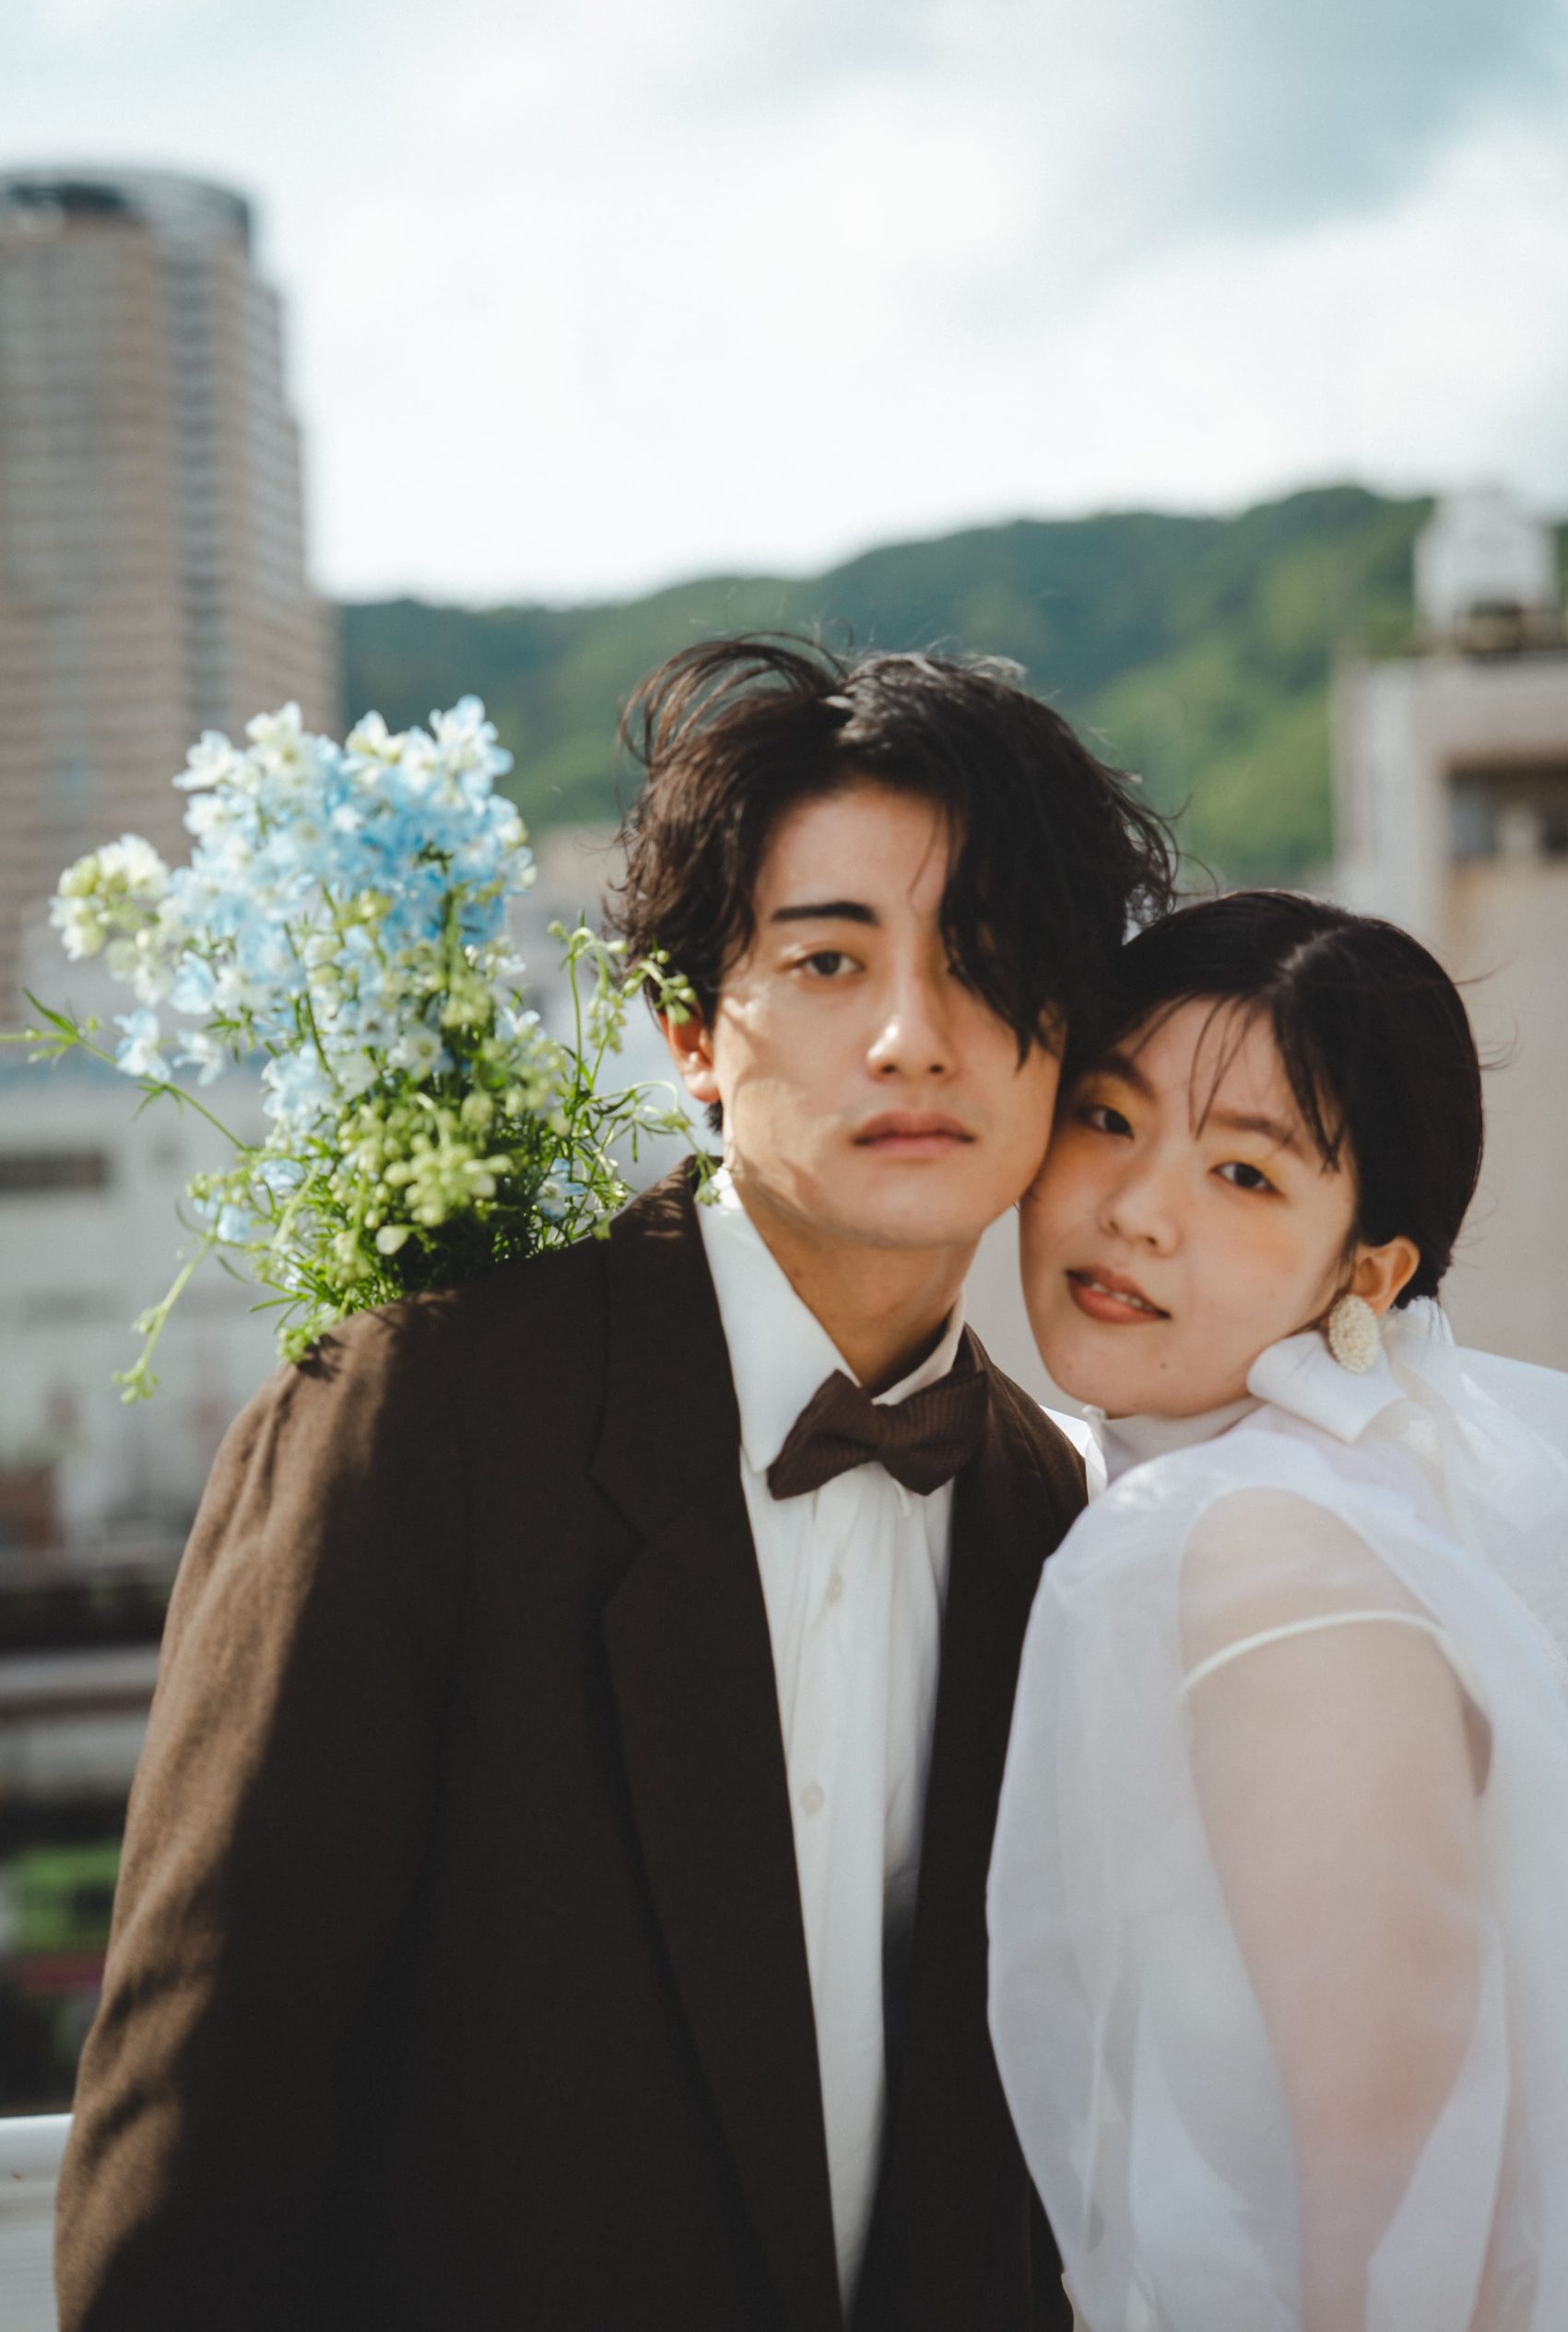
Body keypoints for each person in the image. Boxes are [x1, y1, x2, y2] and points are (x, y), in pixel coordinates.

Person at [57, 634, 1173, 2332]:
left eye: (990, 962)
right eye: (825, 961)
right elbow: (194, 2152)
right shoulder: (415, 1427)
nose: (910, 1036)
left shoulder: (1061, 1525)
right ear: (689, 1033)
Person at [987, 889, 1568, 2332]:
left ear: (1365, 1273)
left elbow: (1399, 2179)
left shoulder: (1267, 1546)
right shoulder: (1291, 1491)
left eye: (1243, 1175)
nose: (1135, 1209)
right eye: (1106, 1119)